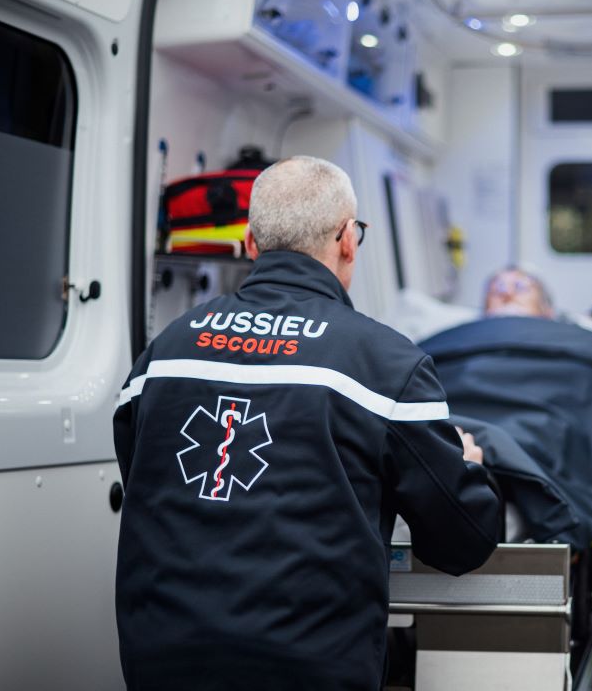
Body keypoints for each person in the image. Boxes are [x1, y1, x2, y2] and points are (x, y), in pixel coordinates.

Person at [113, 156, 501, 691]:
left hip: (159, 654)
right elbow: (463, 541)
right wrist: (468, 468)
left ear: (251, 243)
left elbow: (145, 481)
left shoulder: (164, 352)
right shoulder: (386, 364)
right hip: (308, 663)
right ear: (347, 239)